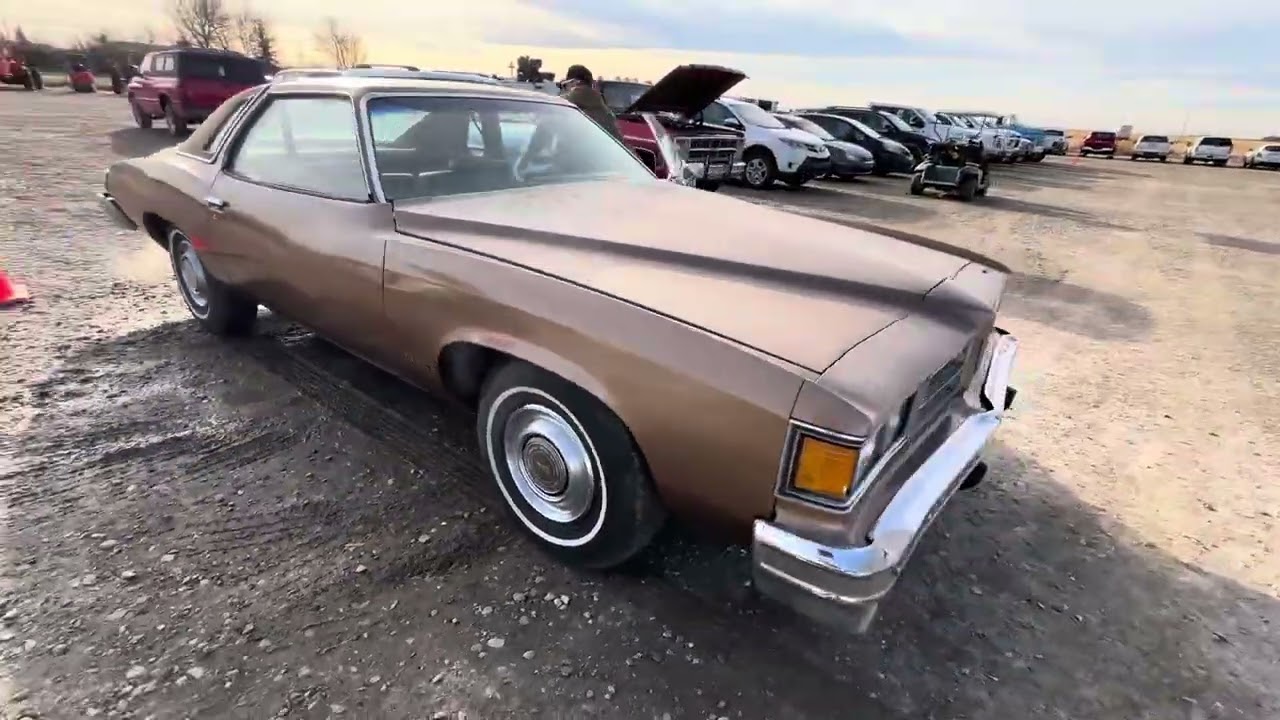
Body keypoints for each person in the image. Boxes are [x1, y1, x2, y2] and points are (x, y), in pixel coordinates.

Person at [559, 64, 623, 141]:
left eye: (566, 85)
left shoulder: (580, 93)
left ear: (575, 82)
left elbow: (555, 103)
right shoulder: (595, 96)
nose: (566, 88)